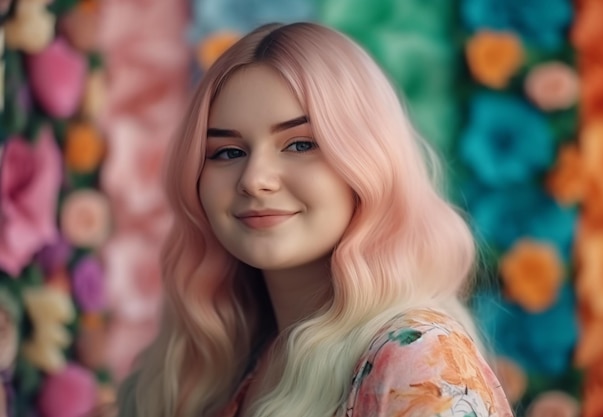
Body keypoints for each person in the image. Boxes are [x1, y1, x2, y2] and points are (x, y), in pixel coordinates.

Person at [116, 22, 513, 417]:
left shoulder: (420, 358)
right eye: (227, 152)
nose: (255, 180)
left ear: (370, 163)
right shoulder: (227, 361)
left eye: (301, 144)